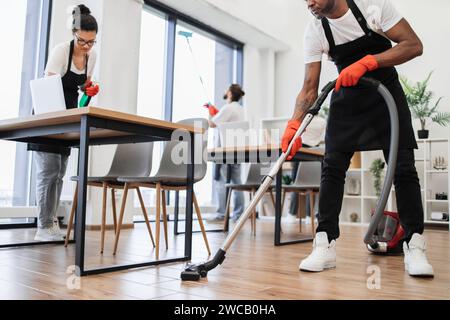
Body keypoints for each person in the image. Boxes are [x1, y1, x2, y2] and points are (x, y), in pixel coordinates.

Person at [282, 0, 434, 277]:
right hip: (348, 98)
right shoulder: (315, 30)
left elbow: (413, 44)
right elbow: (308, 89)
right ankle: (324, 242)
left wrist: (369, 61)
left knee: (403, 168)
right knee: (332, 168)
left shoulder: (372, 7)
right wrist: (294, 125)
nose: (309, 3)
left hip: (385, 92)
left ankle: (414, 244)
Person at [30, 4, 100, 241]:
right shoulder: (61, 50)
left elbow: (82, 88)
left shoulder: (92, 55)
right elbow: (48, 87)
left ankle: (51, 225)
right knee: (47, 172)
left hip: (69, 116)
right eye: (83, 41)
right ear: (73, 33)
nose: (87, 46)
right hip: (48, 115)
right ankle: (44, 225)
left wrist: (89, 90)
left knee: (59, 173)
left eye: (91, 42)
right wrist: (57, 117)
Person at [206, 84, 246, 222]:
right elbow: (224, 121)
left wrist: (211, 113)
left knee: (220, 180)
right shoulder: (239, 109)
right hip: (238, 150)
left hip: (224, 150)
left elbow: (212, 124)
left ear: (229, 93)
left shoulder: (228, 108)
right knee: (237, 182)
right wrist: (216, 113)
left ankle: (221, 214)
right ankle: (239, 214)